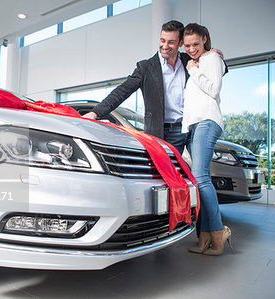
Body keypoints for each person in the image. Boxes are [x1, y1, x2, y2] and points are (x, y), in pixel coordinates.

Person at [83, 20, 223, 155]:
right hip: (165, 132)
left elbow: (213, 72)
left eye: (171, 42)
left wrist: (216, 56)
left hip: (192, 127)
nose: (165, 46)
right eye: (162, 40)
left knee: (199, 173)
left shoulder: (190, 60)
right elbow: (122, 91)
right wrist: (96, 113)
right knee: (167, 175)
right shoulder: (146, 68)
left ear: (180, 43)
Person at [182, 23, 231, 255]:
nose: (192, 49)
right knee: (198, 179)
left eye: (196, 44)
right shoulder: (199, 61)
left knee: (201, 178)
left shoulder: (211, 59)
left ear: (205, 40)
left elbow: (213, 90)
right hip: (195, 125)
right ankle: (204, 236)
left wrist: (193, 69)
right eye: (188, 45)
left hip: (207, 121)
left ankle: (219, 231)